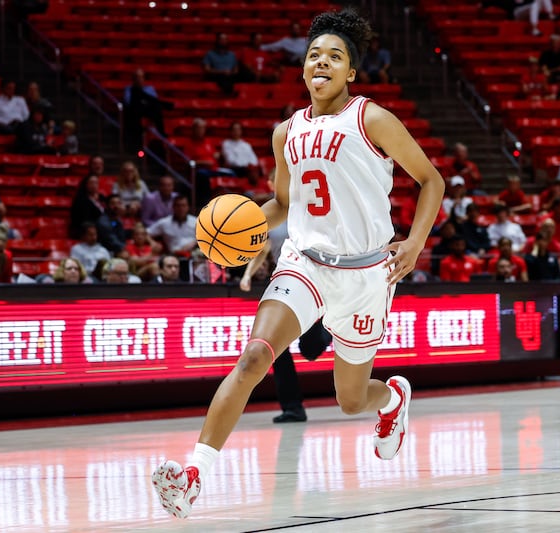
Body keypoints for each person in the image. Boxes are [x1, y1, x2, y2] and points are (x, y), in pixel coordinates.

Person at [152, 8, 445, 520]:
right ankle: (194, 474)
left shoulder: (372, 118)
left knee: (351, 400)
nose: (322, 63)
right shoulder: (284, 131)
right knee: (253, 359)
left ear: (351, 72)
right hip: (304, 265)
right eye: (314, 55)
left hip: (367, 275)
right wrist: (231, 224)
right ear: (303, 68)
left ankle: (392, 398)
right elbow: (284, 205)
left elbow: (432, 181)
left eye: (335, 56)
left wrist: (416, 242)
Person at [239, 235, 332, 423]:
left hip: (314, 283)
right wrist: (247, 275)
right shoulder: (274, 221)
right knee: (276, 348)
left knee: (310, 350)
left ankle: (330, 326)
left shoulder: (311, 215)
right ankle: (293, 408)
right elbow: (262, 251)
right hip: (285, 284)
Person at [123, 68, 169, 152]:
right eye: (137, 77)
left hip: (148, 113)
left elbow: (154, 102)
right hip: (135, 114)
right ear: (133, 79)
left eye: (141, 77)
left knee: (157, 109)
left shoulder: (150, 89)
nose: (139, 79)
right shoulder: (129, 90)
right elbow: (128, 102)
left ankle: (159, 136)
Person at [69, 174, 106, 238]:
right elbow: (83, 220)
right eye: (91, 183)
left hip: (103, 227)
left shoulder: (101, 198)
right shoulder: (81, 200)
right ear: (85, 185)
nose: (94, 185)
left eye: (96, 183)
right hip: (87, 229)